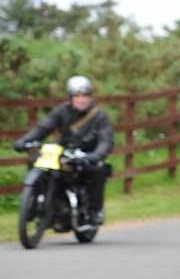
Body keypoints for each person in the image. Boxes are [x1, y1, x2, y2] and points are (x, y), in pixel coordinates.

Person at [13, 75, 114, 225]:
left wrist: (96, 155)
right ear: (71, 97)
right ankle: (33, 203)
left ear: (90, 97)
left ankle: (95, 210)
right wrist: (24, 141)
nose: (81, 99)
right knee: (36, 162)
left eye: (85, 95)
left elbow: (106, 140)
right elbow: (43, 127)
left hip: (86, 156)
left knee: (97, 170)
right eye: (77, 95)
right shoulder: (62, 111)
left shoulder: (100, 117)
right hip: (63, 153)